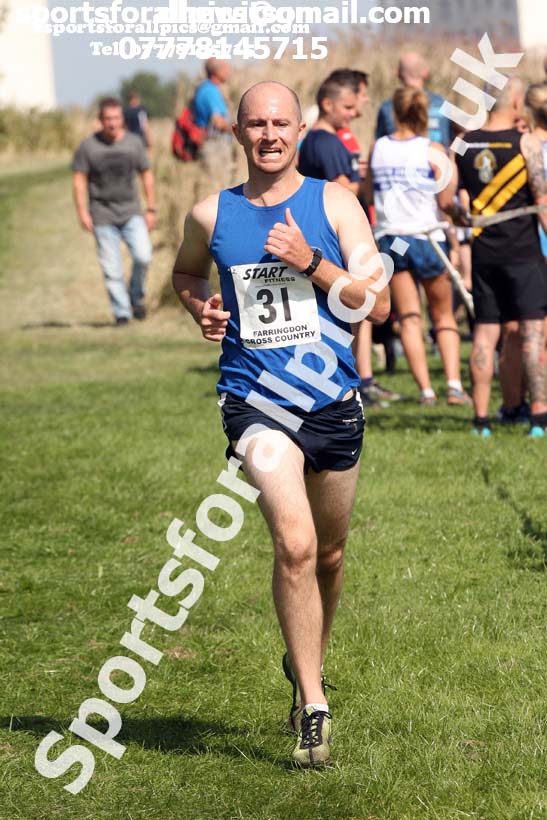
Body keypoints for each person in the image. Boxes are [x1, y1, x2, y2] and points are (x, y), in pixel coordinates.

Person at [172, 81, 390, 767]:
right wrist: (199, 307)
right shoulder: (211, 214)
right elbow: (185, 274)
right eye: (255, 124)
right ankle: (315, 707)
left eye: (280, 123)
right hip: (255, 403)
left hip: (332, 404)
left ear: (300, 129)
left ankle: (306, 668)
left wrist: (312, 262)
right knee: (293, 545)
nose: (268, 134)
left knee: (328, 554)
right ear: (236, 132)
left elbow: (373, 306)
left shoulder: (334, 202)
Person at [439, 77, 547, 437]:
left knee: (485, 335)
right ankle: (537, 419)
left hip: (484, 251)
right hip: (523, 252)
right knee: (532, 333)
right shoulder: (527, 143)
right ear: (517, 103)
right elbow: (542, 202)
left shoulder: (463, 144)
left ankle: (481, 421)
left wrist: (463, 220)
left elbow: (445, 202)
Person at [299, 72, 399, 405]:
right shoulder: (326, 142)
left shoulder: (318, 140)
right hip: (338, 239)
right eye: (346, 106)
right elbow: (345, 191)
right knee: (360, 306)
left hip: (327, 239)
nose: (352, 113)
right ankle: (360, 379)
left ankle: (361, 377)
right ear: (326, 105)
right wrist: (371, 181)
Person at [371, 87, 471, 405]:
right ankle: (454, 387)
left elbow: (368, 192)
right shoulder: (433, 149)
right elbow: (445, 201)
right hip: (427, 237)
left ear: (393, 114)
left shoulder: (378, 148)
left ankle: (426, 391)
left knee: (410, 317)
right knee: (443, 316)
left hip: (392, 239)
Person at [72, 97, 155, 325]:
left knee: (143, 256)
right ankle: (122, 313)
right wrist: (82, 212)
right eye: (107, 119)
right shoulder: (88, 147)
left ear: (122, 119)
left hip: (131, 212)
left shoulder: (134, 143)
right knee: (112, 269)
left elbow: (146, 174)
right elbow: (79, 180)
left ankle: (136, 297)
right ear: (100, 120)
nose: (112, 123)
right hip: (102, 214)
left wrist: (151, 208)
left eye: (116, 118)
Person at [376, 53, 451, 147]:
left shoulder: (387, 108)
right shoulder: (443, 104)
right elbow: (462, 135)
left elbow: (379, 145)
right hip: (439, 159)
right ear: (426, 73)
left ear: (398, 73)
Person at [192, 58, 234, 199]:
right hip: (215, 146)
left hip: (212, 144)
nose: (229, 71)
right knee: (218, 188)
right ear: (217, 71)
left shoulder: (205, 88)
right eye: (226, 67)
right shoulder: (210, 91)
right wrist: (239, 129)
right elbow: (218, 121)